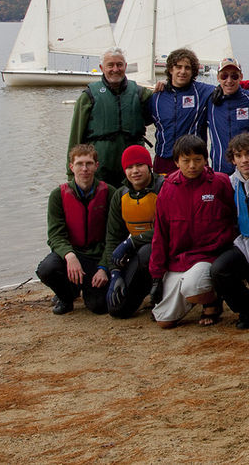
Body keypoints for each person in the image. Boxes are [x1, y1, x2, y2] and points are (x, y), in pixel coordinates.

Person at [149, 135, 237, 328]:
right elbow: (160, 233)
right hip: (178, 259)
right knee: (164, 321)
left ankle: (212, 302)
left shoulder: (219, 182)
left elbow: (235, 217)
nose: (192, 166)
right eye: (186, 160)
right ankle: (191, 296)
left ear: (206, 160)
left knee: (194, 288)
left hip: (209, 256)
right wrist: (157, 276)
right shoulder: (167, 189)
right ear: (176, 162)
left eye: (197, 160)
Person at [37, 144, 116, 315]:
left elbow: (114, 236)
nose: (84, 168)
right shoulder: (58, 195)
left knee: (98, 307)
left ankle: (85, 288)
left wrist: (103, 267)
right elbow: (55, 235)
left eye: (89, 163)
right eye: (80, 164)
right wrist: (69, 255)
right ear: (71, 167)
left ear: (96, 165)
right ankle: (66, 297)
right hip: (72, 254)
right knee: (46, 269)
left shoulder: (109, 192)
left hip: (97, 256)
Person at [210, 134, 249, 330]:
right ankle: (247, 309)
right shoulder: (232, 182)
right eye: (239, 156)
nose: (244, 160)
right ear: (233, 159)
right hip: (245, 244)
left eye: (248, 154)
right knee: (219, 270)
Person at [67, 47, 152, 186]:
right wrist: (71, 174)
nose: (115, 69)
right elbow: (75, 138)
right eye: (110, 65)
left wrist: (165, 86)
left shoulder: (141, 94)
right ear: (102, 67)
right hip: (101, 166)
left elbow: (164, 113)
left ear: (125, 66)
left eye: (119, 65)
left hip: (133, 167)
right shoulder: (88, 96)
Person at [104, 145, 165, 319]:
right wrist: (114, 271)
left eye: (140, 165)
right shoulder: (120, 195)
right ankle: (143, 289)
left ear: (149, 166)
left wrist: (131, 242)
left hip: (165, 252)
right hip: (139, 255)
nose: (135, 171)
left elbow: (168, 228)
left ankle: (161, 294)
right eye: (129, 167)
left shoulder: (163, 188)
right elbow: (113, 237)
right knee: (117, 310)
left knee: (147, 250)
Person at [150, 48, 215, 175]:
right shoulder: (156, 96)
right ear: (170, 69)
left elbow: (229, 86)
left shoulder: (203, 92)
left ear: (193, 71)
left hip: (193, 160)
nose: (182, 71)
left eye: (187, 68)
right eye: (178, 67)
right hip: (164, 159)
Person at [206, 58, 249, 175]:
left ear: (241, 77)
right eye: (224, 76)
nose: (229, 80)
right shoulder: (211, 101)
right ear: (218, 78)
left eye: (234, 76)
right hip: (220, 171)